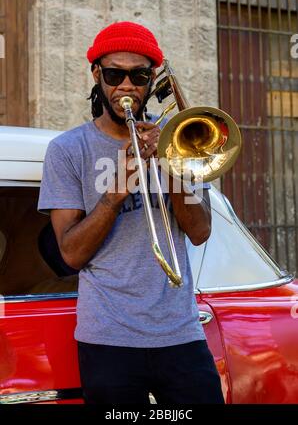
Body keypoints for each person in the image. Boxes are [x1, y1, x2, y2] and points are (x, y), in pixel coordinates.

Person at [38, 21, 224, 404]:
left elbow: (201, 231)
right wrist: (116, 193)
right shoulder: (68, 150)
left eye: (138, 75)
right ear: (96, 75)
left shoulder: (181, 141)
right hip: (107, 339)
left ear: (151, 79)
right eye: (113, 74)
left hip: (180, 333)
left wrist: (169, 166)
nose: (126, 86)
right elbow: (71, 253)